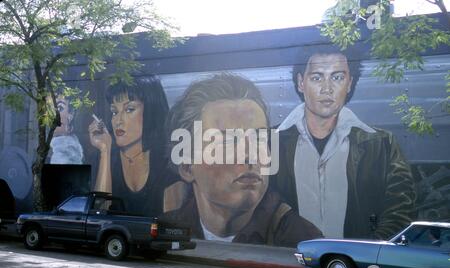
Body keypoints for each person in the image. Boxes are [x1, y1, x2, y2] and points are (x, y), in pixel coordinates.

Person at [163, 73, 322, 247]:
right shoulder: (167, 229)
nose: (251, 155)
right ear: (187, 167)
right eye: (228, 140)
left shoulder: (301, 239)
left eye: (260, 138)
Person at [273, 48, 417, 240]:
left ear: (349, 83)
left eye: (337, 77)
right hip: (289, 265)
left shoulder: (382, 143)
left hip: (354, 266)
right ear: (301, 83)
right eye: (317, 78)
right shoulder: (271, 141)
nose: (327, 88)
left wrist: (364, 253)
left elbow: (400, 210)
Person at [88, 76, 170, 216]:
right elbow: (99, 212)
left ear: (150, 111)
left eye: (129, 109)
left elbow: (171, 222)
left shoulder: (166, 160)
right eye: (114, 112)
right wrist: (105, 150)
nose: (118, 121)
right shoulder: (106, 158)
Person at [49, 95, 84, 164]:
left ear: (71, 116)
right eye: (49, 108)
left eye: (59, 108)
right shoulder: (55, 146)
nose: (51, 114)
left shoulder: (66, 152)